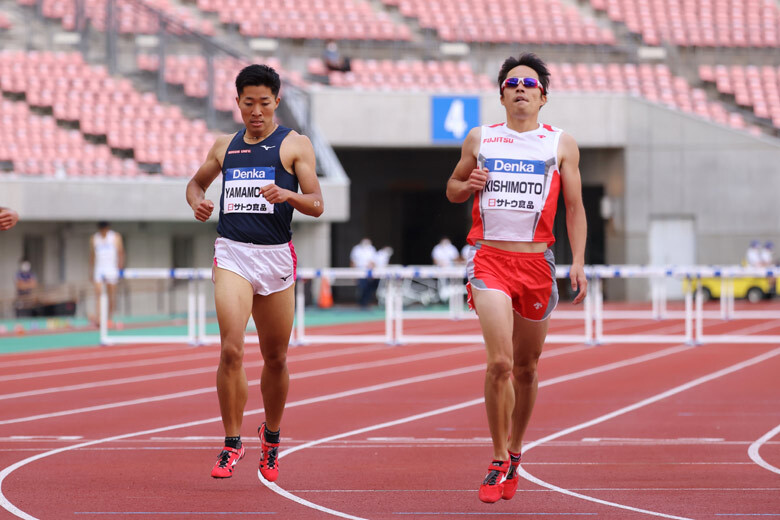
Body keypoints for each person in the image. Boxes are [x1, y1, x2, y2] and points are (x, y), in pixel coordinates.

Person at [445, 53, 588, 503]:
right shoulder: (481, 138)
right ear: (502, 94)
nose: (520, 88)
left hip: (537, 265)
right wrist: (466, 186)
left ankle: (516, 449)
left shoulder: (560, 144)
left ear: (543, 96)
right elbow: (451, 187)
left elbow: (574, 208)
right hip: (488, 259)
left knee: (526, 369)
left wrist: (578, 261)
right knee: (500, 363)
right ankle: (495, 458)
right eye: (512, 83)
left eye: (529, 83)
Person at [186, 64, 324, 481]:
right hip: (232, 254)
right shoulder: (224, 146)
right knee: (231, 349)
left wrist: (289, 195)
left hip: (276, 257)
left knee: (276, 358)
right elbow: (195, 185)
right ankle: (232, 442)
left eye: (265, 103)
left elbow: (317, 202)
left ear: (277, 102)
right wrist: (197, 202)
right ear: (238, 104)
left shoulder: (294, 145)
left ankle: (272, 437)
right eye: (249, 103)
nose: (257, 111)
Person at [90, 221, 124, 327]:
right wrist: (90, 271)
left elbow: (121, 253)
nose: (103, 231)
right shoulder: (94, 239)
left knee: (111, 295)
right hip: (99, 269)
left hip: (111, 269)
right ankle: (99, 318)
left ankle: (109, 318)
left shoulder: (115, 237)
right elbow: (91, 255)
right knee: (99, 294)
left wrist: (120, 268)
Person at [350, 238, 377, 308]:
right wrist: (353, 274)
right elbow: (353, 262)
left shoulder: (371, 249)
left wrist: (372, 273)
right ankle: (361, 303)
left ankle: (366, 303)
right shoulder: (356, 249)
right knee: (361, 287)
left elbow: (373, 262)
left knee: (369, 287)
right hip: (359, 271)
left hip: (368, 271)